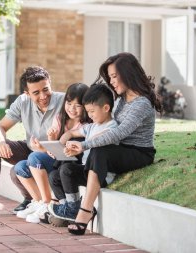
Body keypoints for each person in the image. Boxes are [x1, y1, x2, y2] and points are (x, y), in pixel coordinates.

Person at [61, 52, 162, 235]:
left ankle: (85, 211)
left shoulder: (141, 104)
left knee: (99, 151)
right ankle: (67, 202)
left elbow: (118, 133)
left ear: (128, 74)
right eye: (110, 77)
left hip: (139, 152)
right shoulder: (122, 99)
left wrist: (85, 145)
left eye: (115, 76)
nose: (112, 81)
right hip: (118, 150)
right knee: (71, 166)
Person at [0, 66, 65, 218]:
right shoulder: (22, 102)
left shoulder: (64, 101)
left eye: (46, 89)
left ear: (50, 83)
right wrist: (1, 143)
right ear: (26, 93)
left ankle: (30, 198)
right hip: (32, 150)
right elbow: (0, 127)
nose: (43, 96)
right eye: (36, 93)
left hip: (54, 156)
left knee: (16, 172)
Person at [13, 83, 91, 224]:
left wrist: (44, 150)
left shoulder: (86, 126)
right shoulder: (60, 118)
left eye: (77, 105)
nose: (72, 109)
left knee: (34, 157)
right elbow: (55, 150)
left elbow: (78, 151)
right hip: (58, 159)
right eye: (69, 103)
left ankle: (47, 203)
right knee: (20, 167)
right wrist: (48, 142)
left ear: (85, 106)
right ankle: (39, 202)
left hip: (72, 163)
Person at [47, 83, 118, 223]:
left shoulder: (112, 127)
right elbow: (74, 132)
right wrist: (66, 136)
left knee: (66, 170)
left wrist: (80, 145)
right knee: (54, 175)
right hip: (86, 169)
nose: (90, 115)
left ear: (106, 108)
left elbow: (99, 140)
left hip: (100, 174)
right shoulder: (92, 126)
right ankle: (65, 207)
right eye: (88, 112)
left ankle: (73, 207)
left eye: (92, 111)